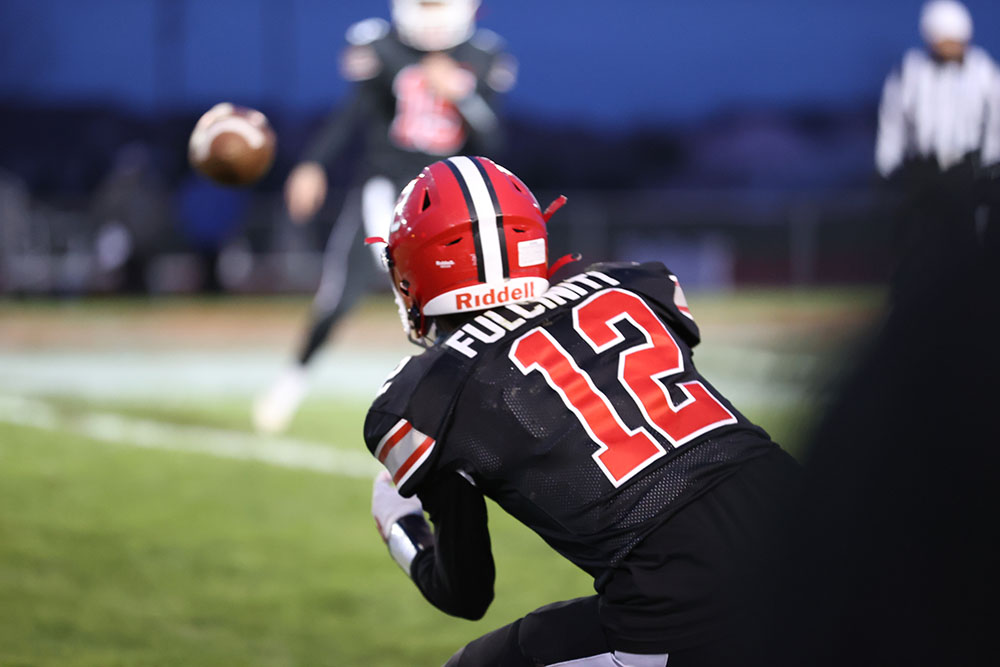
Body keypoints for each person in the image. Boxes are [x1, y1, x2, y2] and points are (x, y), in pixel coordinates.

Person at [364, 156, 800, 666]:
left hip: (684, 603)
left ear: (415, 268)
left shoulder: (430, 394)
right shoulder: (630, 284)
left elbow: (465, 592)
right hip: (818, 527)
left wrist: (399, 524)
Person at [253, 0, 517, 433]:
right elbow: (351, 113)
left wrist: (462, 95)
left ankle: (479, 406)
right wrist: (313, 163)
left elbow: (494, 139)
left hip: (445, 200)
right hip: (384, 187)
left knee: (468, 306)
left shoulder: (485, 55)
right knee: (340, 296)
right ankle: (291, 381)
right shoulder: (382, 44)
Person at [874, 0, 1000, 294]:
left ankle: (968, 306)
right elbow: (893, 122)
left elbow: (996, 122)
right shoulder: (912, 72)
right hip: (924, 171)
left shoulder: (984, 72)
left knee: (966, 242)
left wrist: (993, 167)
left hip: (966, 171)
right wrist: (886, 165)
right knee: (918, 243)